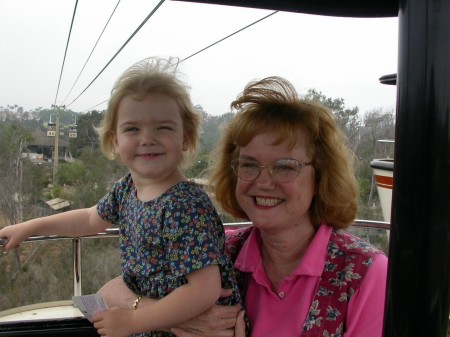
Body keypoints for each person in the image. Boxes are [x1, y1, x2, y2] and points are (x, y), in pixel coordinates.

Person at [98, 75, 388, 337]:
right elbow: (111, 290)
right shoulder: (223, 252)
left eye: (285, 167)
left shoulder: (363, 274)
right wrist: (171, 319)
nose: (264, 182)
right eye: (249, 165)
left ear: (320, 175)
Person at [0, 57, 243, 337]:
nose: (147, 138)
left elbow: (204, 290)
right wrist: (31, 227)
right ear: (115, 141)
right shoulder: (127, 188)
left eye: (163, 127)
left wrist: (132, 322)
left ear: (185, 138)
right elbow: (91, 218)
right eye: (132, 129)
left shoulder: (184, 205)